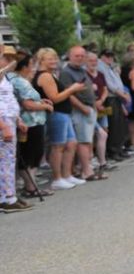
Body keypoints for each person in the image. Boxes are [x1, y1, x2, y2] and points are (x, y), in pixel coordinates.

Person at [34, 47, 85, 189]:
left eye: (55, 58)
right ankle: (57, 178)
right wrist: (72, 89)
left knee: (71, 143)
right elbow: (54, 98)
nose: (54, 61)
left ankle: (67, 175)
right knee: (58, 146)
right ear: (41, 60)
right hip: (56, 113)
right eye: (50, 59)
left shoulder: (51, 74)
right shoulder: (45, 76)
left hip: (63, 113)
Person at [10, 53, 52, 198]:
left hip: (29, 122)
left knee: (31, 154)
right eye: (31, 64)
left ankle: (31, 186)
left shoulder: (14, 79)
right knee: (31, 155)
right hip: (30, 123)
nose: (33, 68)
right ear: (24, 67)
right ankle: (30, 187)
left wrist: (40, 102)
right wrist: (45, 107)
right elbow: (27, 104)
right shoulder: (20, 82)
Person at [1, 44, 32, 212]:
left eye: (12, 59)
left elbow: (9, 100)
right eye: (6, 58)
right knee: (5, 161)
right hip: (3, 122)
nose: (10, 62)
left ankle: (9, 194)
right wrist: (3, 126)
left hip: (10, 120)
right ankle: (6, 198)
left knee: (9, 160)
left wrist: (18, 120)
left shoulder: (5, 78)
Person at [63, 46, 100, 180]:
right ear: (70, 57)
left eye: (82, 56)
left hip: (89, 109)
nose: (80, 58)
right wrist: (82, 107)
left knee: (88, 141)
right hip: (79, 111)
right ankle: (87, 171)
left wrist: (93, 106)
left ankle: (84, 168)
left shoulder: (81, 70)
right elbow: (68, 94)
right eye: (76, 56)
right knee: (83, 141)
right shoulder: (66, 72)